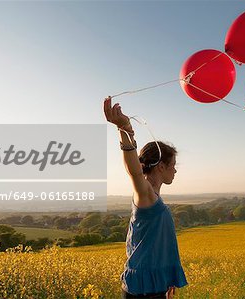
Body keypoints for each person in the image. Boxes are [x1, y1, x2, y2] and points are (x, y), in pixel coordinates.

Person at [103, 96, 188, 299]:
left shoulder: (154, 196)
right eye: (173, 165)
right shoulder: (146, 194)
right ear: (161, 166)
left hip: (153, 286)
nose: (175, 171)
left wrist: (166, 278)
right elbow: (134, 171)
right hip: (143, 290)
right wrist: (124, 128)